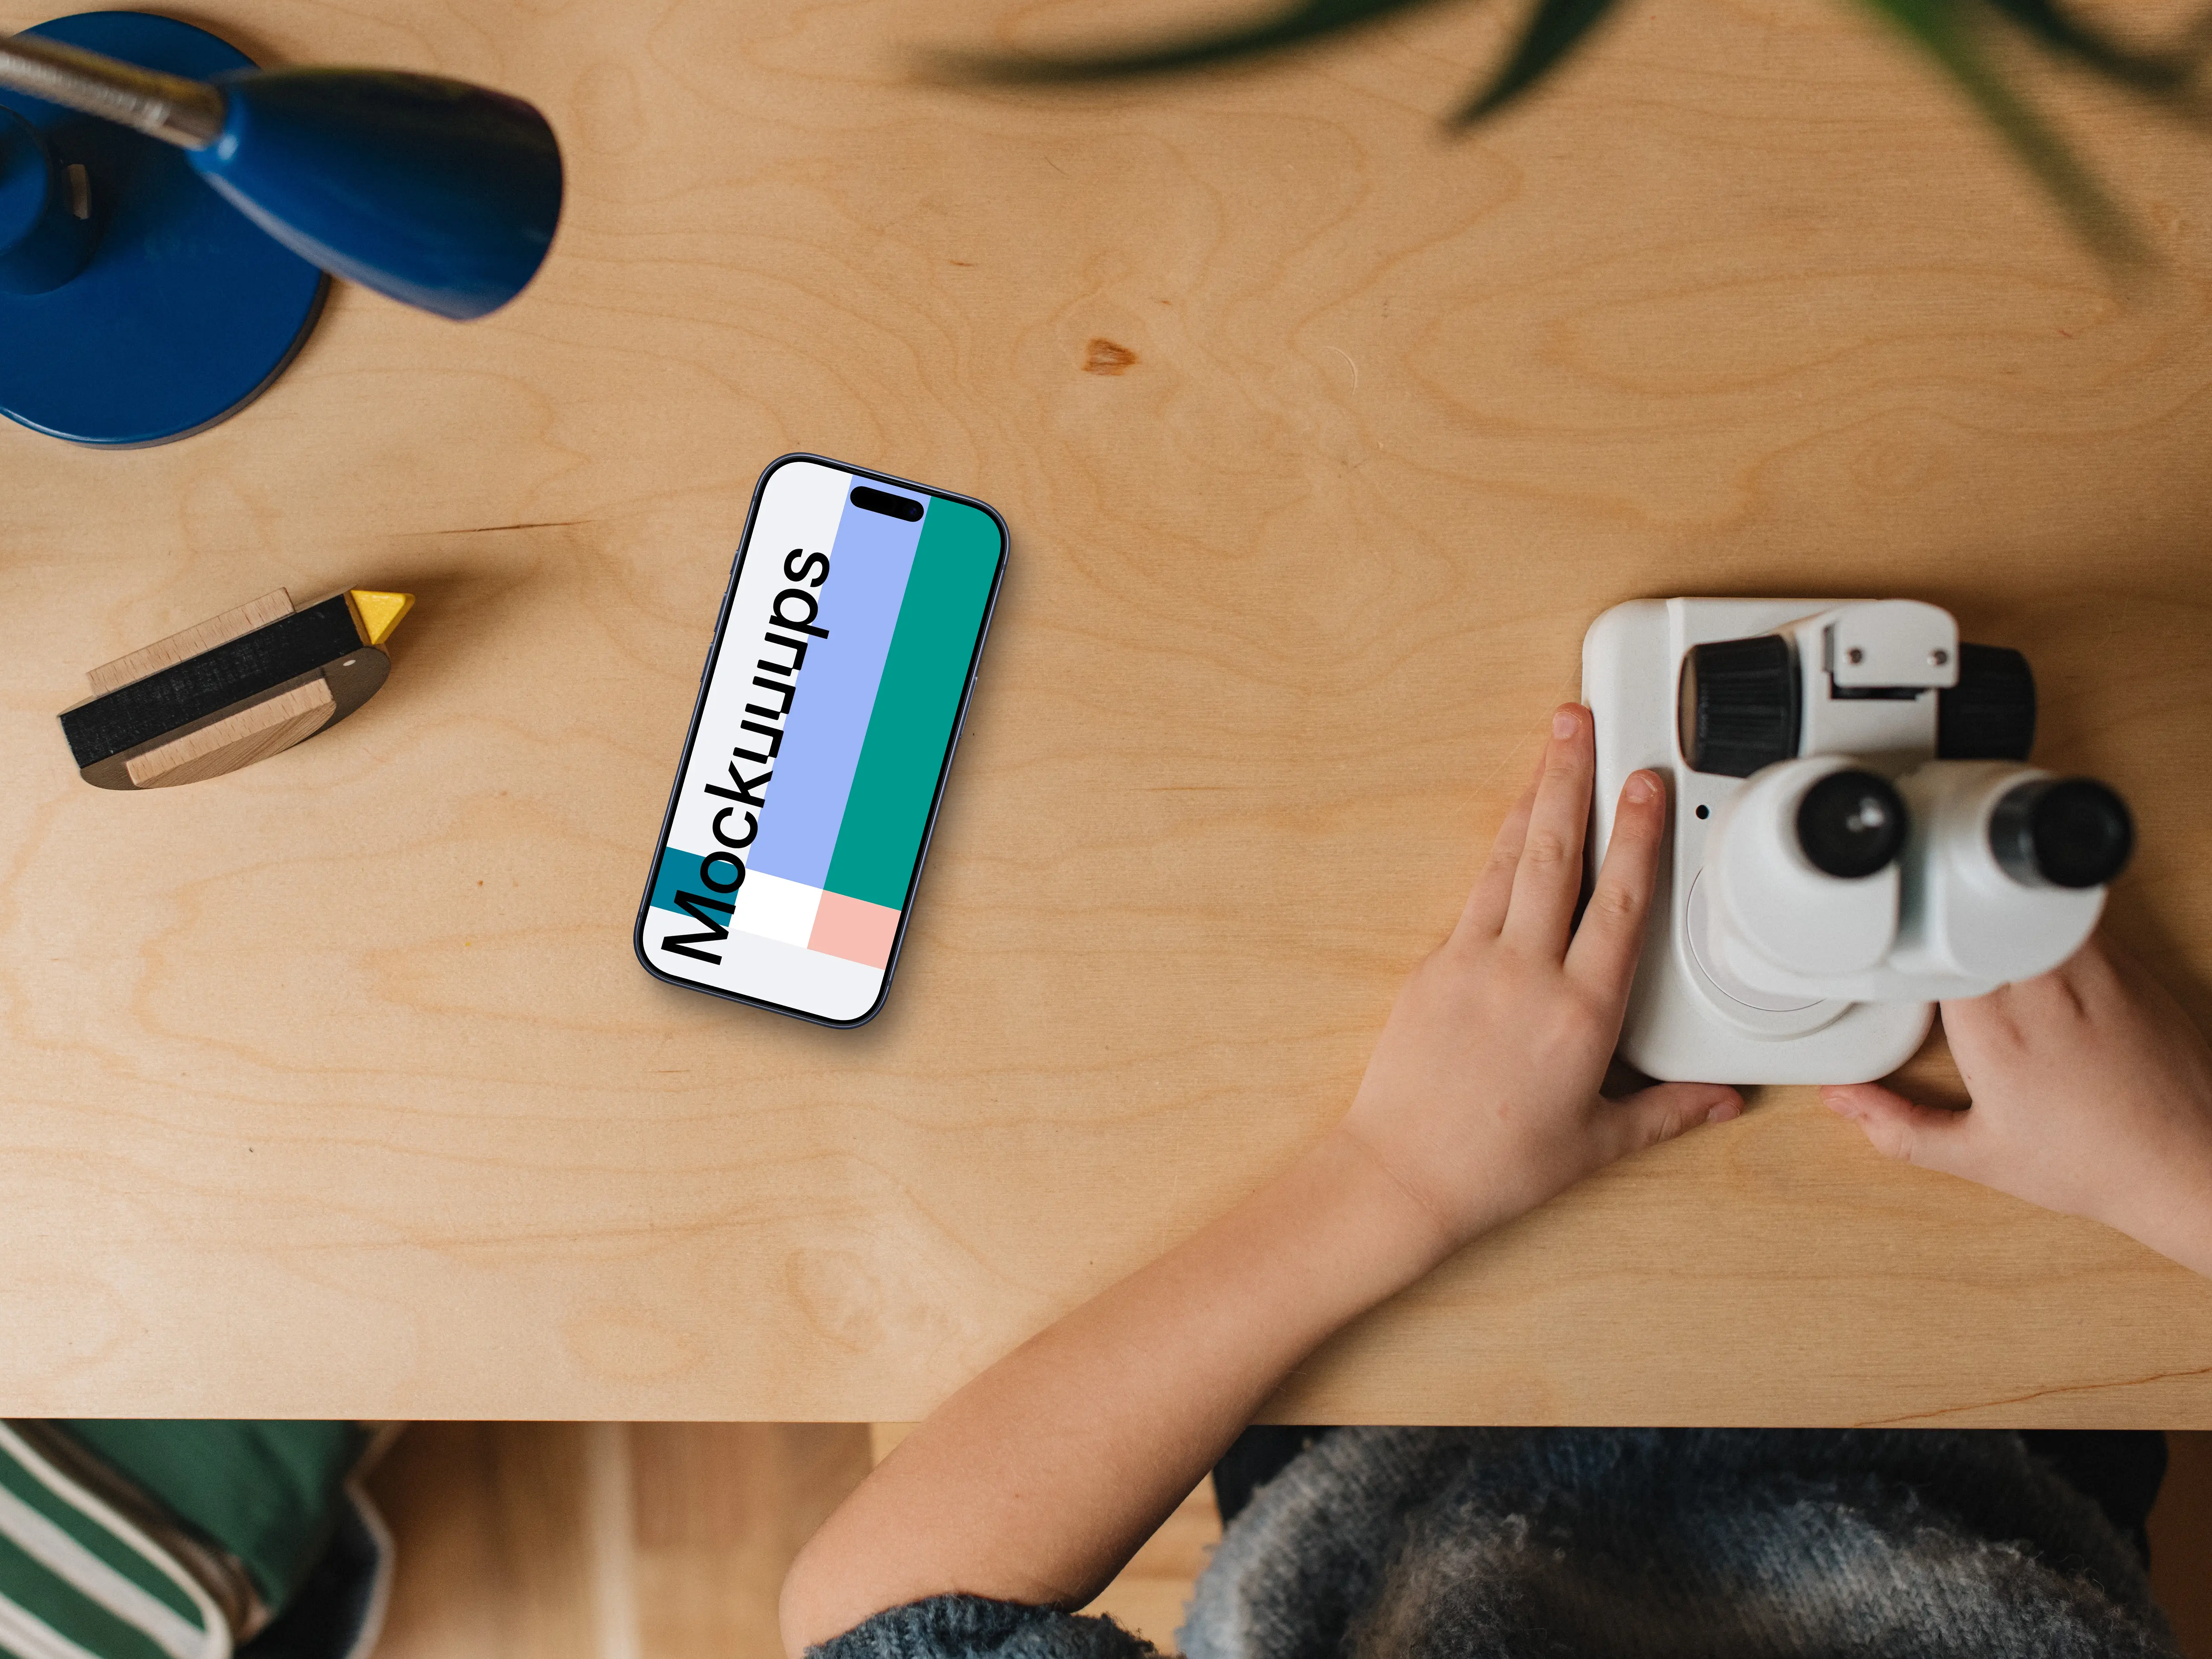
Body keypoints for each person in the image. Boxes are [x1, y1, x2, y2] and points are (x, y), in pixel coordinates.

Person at [779, 705, 2210, 1659]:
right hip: (2006, 1449)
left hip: (1394, 1437)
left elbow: (884, 1615)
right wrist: (2177, 1170)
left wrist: (1397, 1172)